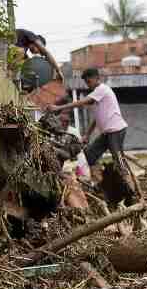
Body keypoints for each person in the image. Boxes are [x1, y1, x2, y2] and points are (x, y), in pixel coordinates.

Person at [50, 68, 136, 198]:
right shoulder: (97, 95)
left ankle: (131, 189)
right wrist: (87, 135)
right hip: (107, 133)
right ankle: (100, 184)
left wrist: (59, 108)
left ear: (97, 78)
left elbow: (82, 102)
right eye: (86, 82)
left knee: (118, 160)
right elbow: (96, 119)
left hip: (116, 130)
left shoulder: (102, 89)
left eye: (89, 81)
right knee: (89, 156)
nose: (87, 84)